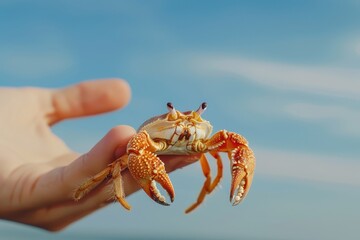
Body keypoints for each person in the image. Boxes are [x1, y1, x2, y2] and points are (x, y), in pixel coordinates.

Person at [0, 79, 199, 231]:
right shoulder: (145, 140)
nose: (183, 129)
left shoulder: (202, 135)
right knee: (115, 165)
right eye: (175, 121)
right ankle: (114, 193)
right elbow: (135, 147)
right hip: (149, 147)